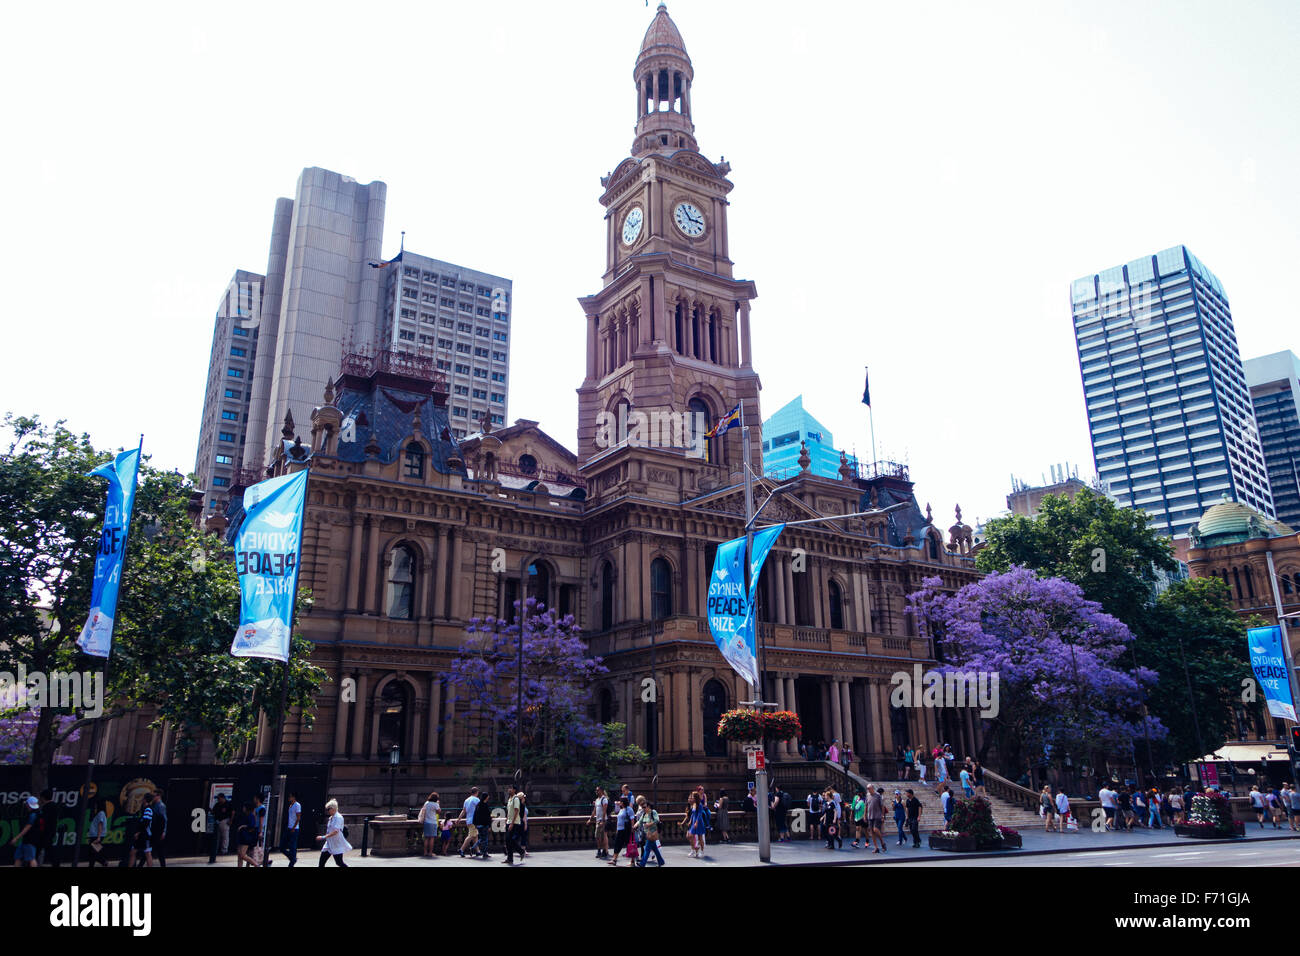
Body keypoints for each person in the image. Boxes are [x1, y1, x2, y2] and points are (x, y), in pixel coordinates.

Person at [317, 798, 350, 866]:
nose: (327, 811)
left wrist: (323, 837)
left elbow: (336, 831)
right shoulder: (331, 817)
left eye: (328, 809)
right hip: (329, 843)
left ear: (333, 808)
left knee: (339, 862)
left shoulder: (338, 817)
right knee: (321, 862)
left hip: (336, 843)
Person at [9, 795, 40, 867]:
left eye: (27, 804)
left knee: (31, 859)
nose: (26, 805)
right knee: (18, 857)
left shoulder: (33, 815)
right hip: (25, 840)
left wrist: (16, 838)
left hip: (30, 841)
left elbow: (27, 828)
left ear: (28, 804)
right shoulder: (31, 814)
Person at [635, 797, 664, 867]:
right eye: (642, 807)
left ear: (648, 806)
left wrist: (649, 824)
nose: (643, 809)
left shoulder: (653, 812)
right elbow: (639, 821)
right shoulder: (644, 814)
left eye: (644, 807)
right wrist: (634, 826)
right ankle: (661, 861)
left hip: (653, 833)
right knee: (655, 849)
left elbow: (657, 820)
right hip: (648, 834)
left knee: (647, 849)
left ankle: (642, 864)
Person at [38, 789, 61, 867]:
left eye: (40, 797)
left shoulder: (47, 807)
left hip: (46, 832)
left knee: (46, 849)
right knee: (47, 848)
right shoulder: (54, 805)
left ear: (43, 797)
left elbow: (44, 820)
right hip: (51, 831)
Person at [502, 786, 524, 865]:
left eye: (510, 788)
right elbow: (509, 811)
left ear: (514, 790)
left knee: (510, 840)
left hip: (514, 823)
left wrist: (512, 823)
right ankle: (510, 858)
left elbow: (516, 811)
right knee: (508, 841)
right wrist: (506, 820)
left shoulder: (516, 799)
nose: (509, 790)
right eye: (508, 788)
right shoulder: (509, 799)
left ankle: (521, 851)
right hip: (509, 822)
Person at [458, 786, 482, 857]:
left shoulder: (466, 800)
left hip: (468, 820)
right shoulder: (476, 799)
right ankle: (461, 849)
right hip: (474, 820)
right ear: (477, 792)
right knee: (471, 835)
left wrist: (459, 818)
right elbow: (480, 809)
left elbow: (463, 811)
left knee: (475, 835)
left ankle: (477, 851)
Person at [609, 796, 633, 865]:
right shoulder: (621, 809)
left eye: (620, 801)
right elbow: (619, 819)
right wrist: (617, 829)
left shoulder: (629, 809)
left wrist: (632, 828)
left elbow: (632, 819)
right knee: (617, 844)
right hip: (620, 830)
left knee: (629, 845)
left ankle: (632, 861)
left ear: (623, 802)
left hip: (626, 830)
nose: (619, 802)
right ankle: (614, 860)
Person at [87, 796, 110, 867]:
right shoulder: (101, 813)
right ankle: (98, 863)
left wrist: (98, 837)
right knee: (93, 852)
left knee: (93, 852)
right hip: (95, 834)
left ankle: (103, 861)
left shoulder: (100, 813)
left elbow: (100, 825)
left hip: (96, 835)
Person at [590, 786, 611, 860]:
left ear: (601, 791)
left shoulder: (604, 800)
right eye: (596, 790)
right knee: (598, 836)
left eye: (597, 790)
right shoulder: (597, 800)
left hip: (602, 821)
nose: (596, 791)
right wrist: (590, 819)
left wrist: (602, 821)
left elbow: (604, 811)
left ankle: (602, 851)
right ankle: (601, 850)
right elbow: (594, 810)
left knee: (600, 836)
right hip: (597, 821)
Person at [210, 793, 232, 863]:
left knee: (225, 836)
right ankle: (215, 851)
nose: (218, 800)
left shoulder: (228, 804)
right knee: (217, 837)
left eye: (219, 798)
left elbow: (233, 812)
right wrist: (211, 810)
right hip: (217, 821)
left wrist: (231, 820)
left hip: (225, 820)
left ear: (223, 798)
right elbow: (213, 812)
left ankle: (224, 851)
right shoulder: (217, 804)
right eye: (218, 798)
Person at [686, 792, 709, 858]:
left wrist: (696, 822)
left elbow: (699, 814)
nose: (692, 798)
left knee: (700, 837)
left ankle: (702, 851)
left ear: (695, 797)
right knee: (690, 836)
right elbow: (693, 814)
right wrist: (690, 821)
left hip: (699, 822)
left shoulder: (700, 805)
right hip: (693, 821)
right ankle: (694, 850)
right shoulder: (693, 804)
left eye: (693, 797)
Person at [472, 789, 494, 857]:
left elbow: (475, 814)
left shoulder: (478, 804)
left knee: (481, 838)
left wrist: (475, 823)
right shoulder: (485, 805)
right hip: (484, 824)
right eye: (488, 796)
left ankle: (473, 849)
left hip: (478, 824)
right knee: (485, 839)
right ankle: (484, 852)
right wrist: (489, 825)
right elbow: (487, 816)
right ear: (486, 797)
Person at [418, 791, 441, 858]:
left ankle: (425, 852)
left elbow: (423, 810)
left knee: (426, 838)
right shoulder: (435, 804)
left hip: (426, 822)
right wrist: (438, 804)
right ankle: (430, 852)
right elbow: (439, 812)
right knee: (432, 838)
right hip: (433, 822)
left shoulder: (427, 803)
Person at [235, 801, 257, 867]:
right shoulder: (245, 815)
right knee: (239, 854)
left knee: (242, 855)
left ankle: (256, 864)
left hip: (246, 837)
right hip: (241, 836)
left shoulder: (251, 815)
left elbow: (252, 826)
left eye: (244, 807)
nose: (243, 808)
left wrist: (243, 826)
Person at [282, 791, 301, 866]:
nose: (289, 798)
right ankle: (292, 858)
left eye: (290, 796)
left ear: (294, 797)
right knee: (282, 846)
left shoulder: (297, 805)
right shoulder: (290, 805)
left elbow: (298, 817)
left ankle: (292, 862)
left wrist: (293, 827)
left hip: (294, 828)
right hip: (289, 827)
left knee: (292, 846)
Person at [866, 785, 886, 854]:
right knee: (872, 832)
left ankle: (882, 842)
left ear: (872, 788)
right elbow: (867, 805)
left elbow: (882, 806)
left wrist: (883, 815)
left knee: (876, 829)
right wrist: (865, 815)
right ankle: (876, 847)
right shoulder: (867, 795)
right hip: (870, 816)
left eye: (869, 788)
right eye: (867, 788)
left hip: (877, 815)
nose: (868, 789)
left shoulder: (878, 795)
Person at [150, 790, 168, 867]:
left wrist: (163, 831)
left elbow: (165, 819)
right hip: (155, 830)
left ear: (158, 796)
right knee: (152, 850)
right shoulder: (155, 804)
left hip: (158, 831)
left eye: (154, 796)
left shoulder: (160, 806)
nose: (153, 798)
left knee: (159, 850)